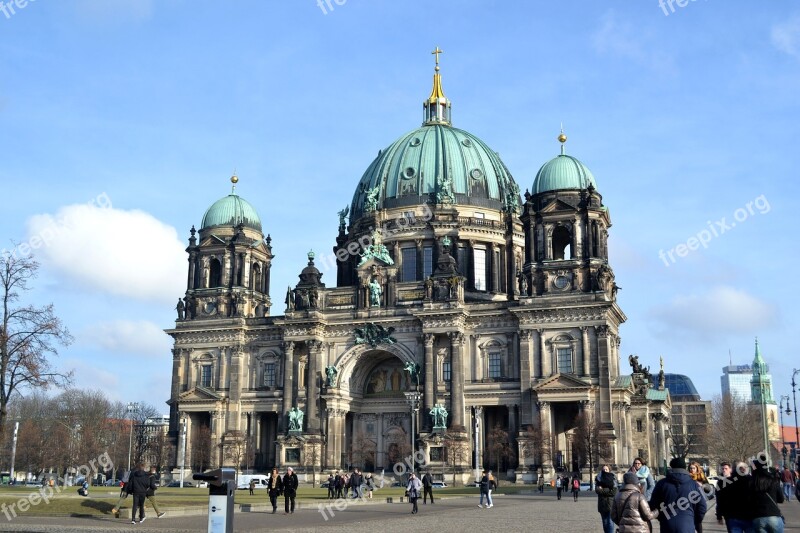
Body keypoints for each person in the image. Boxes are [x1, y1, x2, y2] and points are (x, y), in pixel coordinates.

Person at [648, 457, 706, 533]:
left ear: (671, 467)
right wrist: (695, 520)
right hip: (687, 523)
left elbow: (653, 504)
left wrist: (661, 517)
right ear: (685, 468)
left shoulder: (661, 483)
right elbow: (702, 506)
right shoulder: (694, 484)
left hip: (667, 524)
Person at [747, 459, 784, 532]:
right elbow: (781, 499)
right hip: (774, 515)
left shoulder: (752, 483)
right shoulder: (773, 480)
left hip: (758, 517)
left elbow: (749, 500)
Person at [716, 461, 753, 533]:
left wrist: (719, 515)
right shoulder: (750, 480)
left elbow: (720, 500)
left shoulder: (725, 482)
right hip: (747, 516)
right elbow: (720, 499)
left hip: (733, 516)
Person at [596, 465, 618, 533]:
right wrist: (608, 490)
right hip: (602, 504)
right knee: (605, 523)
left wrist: (603, 490)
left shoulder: (613, 478)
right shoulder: (599, 478)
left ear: (609, 470)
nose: (605, 471)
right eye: (603, 469)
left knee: (610, 522)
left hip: (610, 503)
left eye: (606, 469)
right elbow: (597, 490)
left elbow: (614, 492)